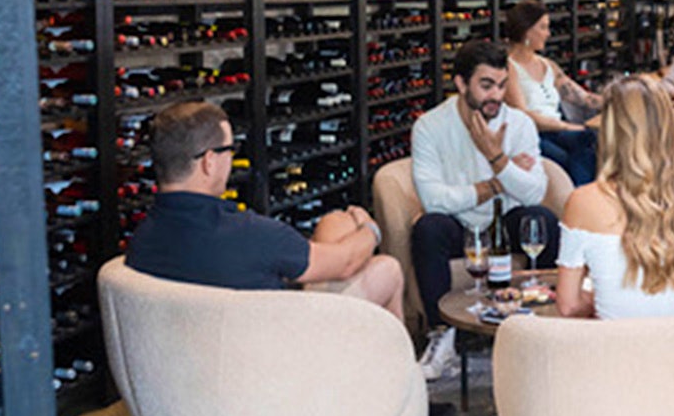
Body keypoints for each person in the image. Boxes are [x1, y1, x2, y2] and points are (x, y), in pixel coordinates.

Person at [126, 100, 405, 319]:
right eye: (230, 149)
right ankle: (401, 370)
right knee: (388, 269)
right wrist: (370, 228)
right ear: (209, 161)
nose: (231, 159)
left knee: (336, 225)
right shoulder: (251, 234)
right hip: (272, 357)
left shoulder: (141, 240)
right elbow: (346, 263)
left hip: (193, 359)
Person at [410, 39, 560, 377]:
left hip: (505, 220)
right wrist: (499, 181)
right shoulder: (430, 126)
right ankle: (442, 337)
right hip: (458, 224)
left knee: (542, 220)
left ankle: (546, 333)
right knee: (428, 228)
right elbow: (433, 199)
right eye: (486, 85)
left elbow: (535, 191)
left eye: (502, 85)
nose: (496, 95)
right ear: (461, 83)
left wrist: (496, 158)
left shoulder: (518, 124)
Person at [556, 76, 674, 319]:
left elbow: (568, 306)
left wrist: (605, 297)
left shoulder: (583, 202)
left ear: (610, 131)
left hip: (616, 342)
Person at [501, 0, 602, 185]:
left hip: (557, 131)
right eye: (543, 27)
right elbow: (523, 115)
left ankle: (581, 195)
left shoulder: (548, 66)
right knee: (570, 155)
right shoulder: (508, 68)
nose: (548, 33)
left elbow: (584, 98)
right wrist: (565, 126)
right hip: (532, 135)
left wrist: (620, 98)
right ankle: (578, 196)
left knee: (590, 140)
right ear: (527, 30)